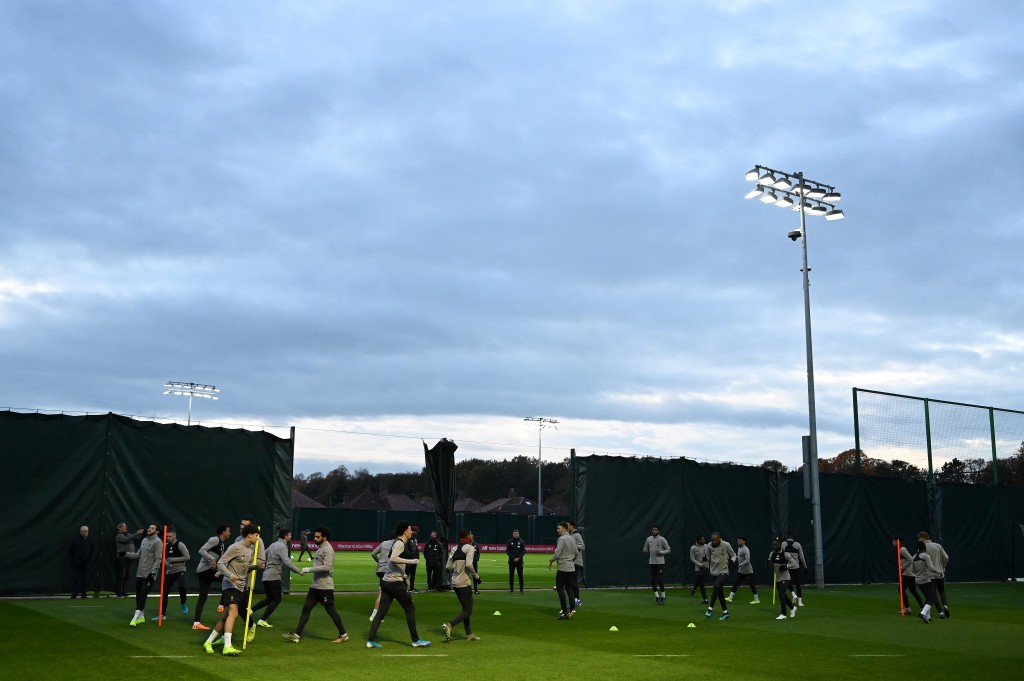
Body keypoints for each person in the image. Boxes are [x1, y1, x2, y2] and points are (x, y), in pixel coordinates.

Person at [366, 520, 431, 648]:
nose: (411, 532)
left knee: (381, 612)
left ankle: (370, 641)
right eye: (410, 529)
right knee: (410, 609)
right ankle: (416, 640)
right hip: (394, 583)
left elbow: (395, 564)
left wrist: (404, 575)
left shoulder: (399, 542)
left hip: (387, 582)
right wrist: (412, 561)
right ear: (405, 531)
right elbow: (393, 559)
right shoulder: (400, 543)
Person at [281, 526, 349, 644]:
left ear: (324, 537)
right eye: (315, 536)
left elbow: (327, 567)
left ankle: (343, 634)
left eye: (318, 537)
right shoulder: (320, 548)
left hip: (325, 587)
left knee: (331, 611)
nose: (315, 538)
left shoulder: (328, 549)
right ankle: (297, 635)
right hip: (315, 587)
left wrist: (308, 569)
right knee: (306, 609)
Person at [201, 525, 261, 655]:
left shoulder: (250, 550)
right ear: (249, 535)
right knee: (233, 613)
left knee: (225, 617)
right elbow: (221, 563)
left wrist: (256, 567)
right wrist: (230, 575)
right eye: (256, 536)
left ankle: (208, 642)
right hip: (229, 585)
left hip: (239, 586)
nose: (258, 538)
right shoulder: (235, 547)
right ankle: (227, 646)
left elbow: (244, 569)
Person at [253, 528, 303, 628]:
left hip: (266, 576)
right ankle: (262, 620)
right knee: (277, 599)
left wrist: (262, 563)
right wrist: (298, 571)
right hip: (274, 576)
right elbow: (287, 562)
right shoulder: (283, 546)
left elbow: (263, 554)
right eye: (290, 535)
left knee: (269, 599)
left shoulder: (273, 545)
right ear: (285, 536)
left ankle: (250, 610)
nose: (291, 537)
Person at [441, 528, 481, 642]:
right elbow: (469, 565)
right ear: (467, 536)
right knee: (468, 611)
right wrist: (476, 576)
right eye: (471, 534)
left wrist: (457, 571)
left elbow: (448, 566)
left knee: (465, 609)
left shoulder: (454, 548)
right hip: (464, 582)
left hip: (455, 582)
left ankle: (469, 634)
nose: (472, 536)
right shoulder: (469, 547)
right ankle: (450, 625)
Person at [193, 524, 231, 630]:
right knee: (227, 580)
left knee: (202, 597)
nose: (229, 533)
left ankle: (196, 623)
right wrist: (212, 559)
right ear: (223, 532)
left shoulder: (222, 544)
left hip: (206, 572)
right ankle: (221, 605)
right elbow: (201, 550)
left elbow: (221, 561)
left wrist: (223, 568)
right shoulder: (215, 540)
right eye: (228, 531)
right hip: (204, 570)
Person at [128, 523, 162, 627]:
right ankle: (141, 617)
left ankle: (134, 618)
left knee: (143, 596)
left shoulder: (158, 542)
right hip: (140, 573)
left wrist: (153, 572)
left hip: (149, 575)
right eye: (149, 527)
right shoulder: (144, 540)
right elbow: (138, 554)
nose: (149, 529)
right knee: (138, 597)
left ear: (157, 531)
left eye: (152, 528)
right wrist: (126, 554)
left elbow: (158, 559)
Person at [155, 525, 190, 619]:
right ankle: (162, 615)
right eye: (166, 536)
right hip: (169, 572)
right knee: (164, 592)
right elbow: (162, 557)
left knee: (182, 587)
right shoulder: (165, 545)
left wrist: (173, 560)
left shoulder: (180, 544)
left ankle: (183, 603)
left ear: (174, 536)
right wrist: (166, 562)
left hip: (180, 570)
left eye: (170, 536)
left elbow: (187, 557)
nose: (168, 538)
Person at [548, 521, 579, 620]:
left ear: (564, 529)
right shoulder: (572, 538)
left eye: (559, 528)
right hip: (571, 566)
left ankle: (565, 611)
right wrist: (571, 560)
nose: (557, 530)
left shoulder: (561, 539)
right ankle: (572, 608)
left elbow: (557, 553)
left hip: (563, 567)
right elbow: (576, 552)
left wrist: (551, 560)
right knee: (569, 588)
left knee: (559, 588)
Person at [917, 531, 950, 618]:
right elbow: (946, 557)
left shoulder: (922, 548)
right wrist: (942, 566)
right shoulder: (938, 545)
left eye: (919, 538)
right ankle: (945, 606)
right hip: (940, 573)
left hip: (929, 574)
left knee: (933, 594)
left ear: (924, 538)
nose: (918, 540)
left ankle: (941, 613)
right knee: (942, 591)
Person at [704, 532, 734, 621]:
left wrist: (732, 560)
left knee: (716, 586)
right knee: (720, 593)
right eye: (712, 540)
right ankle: (725, 612)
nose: (713, 542)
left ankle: (710, 609)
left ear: (719, 539)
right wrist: (705, 560)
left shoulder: (726, 545)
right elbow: (707, 557)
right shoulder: (709, 546)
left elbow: (733, 555)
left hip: (723, 570)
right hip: (713, 571)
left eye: (715, 540)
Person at [911, 539, 941, 623]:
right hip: (925, 580)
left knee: (928, 597)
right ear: (924, 547)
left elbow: (912, 570)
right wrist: (939, 572)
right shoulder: (925, 556)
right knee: (932, 598)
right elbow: (931, 568)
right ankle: (923, 613)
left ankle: (928, 617)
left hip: (918, 580)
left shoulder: (914, 557)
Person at [892, 537, 924, 615]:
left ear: (898, 541)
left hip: (907, 574)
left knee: (901, 589)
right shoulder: (900, 549)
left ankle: (907, 608)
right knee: (913, 591)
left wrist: (902, 567)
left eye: (893, 541)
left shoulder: (902, 549)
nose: (892, 543)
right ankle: (922, 608)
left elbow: (910, 559)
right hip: (909, 573)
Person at [768, 539, 797, 620]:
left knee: (781, 594)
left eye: (776, 545)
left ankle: (783, 614)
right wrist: (768, 563)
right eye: (773, 545)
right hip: (777, 578)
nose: (774, 546)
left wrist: (786, 566)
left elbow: (794, 563)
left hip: (785, 577)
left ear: (780, 545)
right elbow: (770, 563)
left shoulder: (785, 554)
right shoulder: (772, 554)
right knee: (783, 595)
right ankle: (793, 608)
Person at [726, 536, 759, 605]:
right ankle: (730, 598)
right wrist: (732, 560)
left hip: (748, 571)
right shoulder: (739, 548)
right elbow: (739, 556)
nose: (738, 542)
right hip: (741, 571)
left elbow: (747, 560)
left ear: (744, 542)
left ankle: (757, 600)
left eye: (740, 541)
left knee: (751, 585)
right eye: (738, 541)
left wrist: (739, 565)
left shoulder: (746, 549)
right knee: (735, 583)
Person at [642, 525, 671, 605]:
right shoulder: (648, 539)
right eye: (653, 530)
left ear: (659, 531)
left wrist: (661, 552)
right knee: (652, 580)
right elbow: (645, 548)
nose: (654, 531)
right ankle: (657, 596)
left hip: (660, 562)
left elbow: (669, 549)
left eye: (656, 530)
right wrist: (645, 550)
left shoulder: (662, 539)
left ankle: (663, 596)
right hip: (652, 562)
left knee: (660, 580)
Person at [369, 535, 395, 621]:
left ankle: (375, 615)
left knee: (383, 593)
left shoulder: (384, 543)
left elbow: (373, 553)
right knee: (385, 594)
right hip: (389, 571)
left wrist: (379, 562)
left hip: (380, 570)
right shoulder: (397, 544)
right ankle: (376, 615)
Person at [114, 523, 143, 598]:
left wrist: (140, 533)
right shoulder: (118, 536)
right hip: (122, 558)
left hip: (130, 557)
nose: (125, 527)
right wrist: (137, 533)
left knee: (127, 575)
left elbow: (136, 539)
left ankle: (124, 591)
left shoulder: (129, 535)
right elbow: (125, 539)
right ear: (119, 528)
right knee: (122, 575)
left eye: (126, 526)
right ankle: (119, 592)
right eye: (123, 526)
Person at [782, 531, 808, 606]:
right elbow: (802, 557)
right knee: (797, 583)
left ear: (787, 536)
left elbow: (781, 555)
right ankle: (800, 601)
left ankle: (793, 595)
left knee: (787, 582)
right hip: (796, 567)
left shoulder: (783, 544)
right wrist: (805, 567)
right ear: (793, 536)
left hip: (787, 566)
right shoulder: (797, 544)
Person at [70, 525, 95, 599]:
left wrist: (88, 557)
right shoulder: (76, 540)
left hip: (86, 562)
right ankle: (75, 593)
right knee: (76, 578)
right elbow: (71, 550)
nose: (86, 532)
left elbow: (92, 550)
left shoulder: (90, 540)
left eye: (87, 531)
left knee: (85, 578)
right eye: (84, 531)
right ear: (81, 532)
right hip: (77, 562)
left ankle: (84, 594)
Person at [567, 520, 585, 607]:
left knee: (573, 581)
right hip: (570, 561)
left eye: (568, 526)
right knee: (570, 581)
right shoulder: (568, 535)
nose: (567, 527)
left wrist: (573, 546)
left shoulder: (577, 535)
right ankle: (574, 599)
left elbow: (582, 546)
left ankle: (577, 600)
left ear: (572, 526)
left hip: (576, 561)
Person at [689, 536, 709, 603]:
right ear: (698, 540)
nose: (704, 540)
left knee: (700, 580)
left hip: (707, 566)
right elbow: (692, 559)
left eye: (704, 539)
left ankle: (695, 589)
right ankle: (704, 598)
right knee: (700, 581)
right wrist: (701, 565)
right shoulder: (693, 548)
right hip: (698, 567)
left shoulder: (707, 546)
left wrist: (707, 560)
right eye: (702, 539)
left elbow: (710, 555)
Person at [506, 529, 526, 594]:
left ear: (518, 534)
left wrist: (518, 558)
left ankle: (521, 590)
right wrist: (513, 558)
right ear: (512, 534)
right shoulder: (510, 541)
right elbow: (507, 551)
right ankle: (511, 589)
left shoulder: (522, 541)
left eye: (516, 534)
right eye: (514, 534)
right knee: (511, 576)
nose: (515, 535)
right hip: (511, 562)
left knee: (520, 575)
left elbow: (524, 551)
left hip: (519, 562)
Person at [405, 526, 421, 592]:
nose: (416, 532)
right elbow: (406, 549)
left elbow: (416, 549)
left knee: (413, 574)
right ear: (412, 531)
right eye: (415, 531)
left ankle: (412, 588)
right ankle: (405, 588)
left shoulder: (415, 539)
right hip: (409, 560)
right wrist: (410, 557)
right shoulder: (408, 539)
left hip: (414, 560)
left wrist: (417, 558)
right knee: (407, 574)